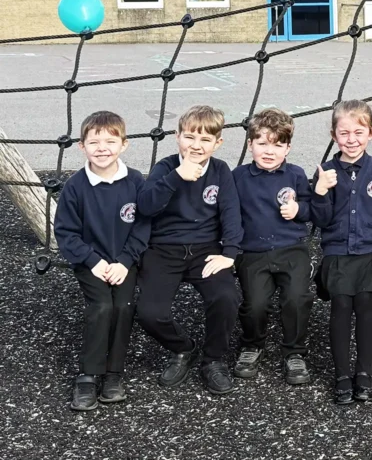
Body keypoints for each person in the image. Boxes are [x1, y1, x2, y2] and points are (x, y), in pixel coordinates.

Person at [135, 105, 244, 395]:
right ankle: (184, 348)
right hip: (164, 248)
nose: (196, 145)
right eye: (190, 137)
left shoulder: (220, 171)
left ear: (217, 143)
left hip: (205, 249)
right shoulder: (166, 167)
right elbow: (145, 207)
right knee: (149, 312)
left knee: (225, 297)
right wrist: (177, 177)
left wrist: (229, 253)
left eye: (205, 139)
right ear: (177, 136)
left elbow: (231, 214)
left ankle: (213, 359)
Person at [311, 100, 372, 405]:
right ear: (333, 135)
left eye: (358, 132)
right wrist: (320, 191)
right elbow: (321, 220)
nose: (351, 139)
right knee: (341, 305)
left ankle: (364, 372)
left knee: (365, 303)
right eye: (344, 133)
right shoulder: (325, 171)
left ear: (371, 133)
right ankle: (342, 374)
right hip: (338, 251)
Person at [55, 111, 150, 411]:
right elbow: (66, 233)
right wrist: (93, 261)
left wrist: (124, 261)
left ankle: (113, 373)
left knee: (122, 307)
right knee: (102, 306)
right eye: (94, 141)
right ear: (82, 147)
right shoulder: (75, 186)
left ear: (124, 145)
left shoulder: (135, 181)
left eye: (110, 140)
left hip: (125, 263)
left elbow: (143, 226)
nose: (102, 147)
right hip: (91, 262)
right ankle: (87, 375)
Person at [231, 108, 314, 385]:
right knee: (255, 304)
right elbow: (226, 214)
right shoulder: (238, 177)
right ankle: (252, 345)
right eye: (262, 143)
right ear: (250, 144)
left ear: (288, 148)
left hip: (292, 249)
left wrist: (299, 209)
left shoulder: (297, 175)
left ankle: (294, 352)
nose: (270, 150)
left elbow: (313, 208)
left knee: (297, 299)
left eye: (278, 144)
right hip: (253, 251)